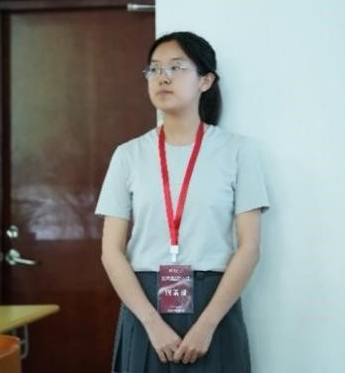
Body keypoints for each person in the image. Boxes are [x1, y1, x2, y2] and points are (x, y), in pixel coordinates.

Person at [97, 31, 269, 372]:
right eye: (154, 69)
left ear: (205, 81)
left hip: (213, 303)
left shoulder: (238, 151)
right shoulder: (128, 155)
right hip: (144, 304)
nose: (163, 77)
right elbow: (111, 251)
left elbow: (249, 247)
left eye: (176, 67)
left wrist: (207, 324)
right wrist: (151, 323)